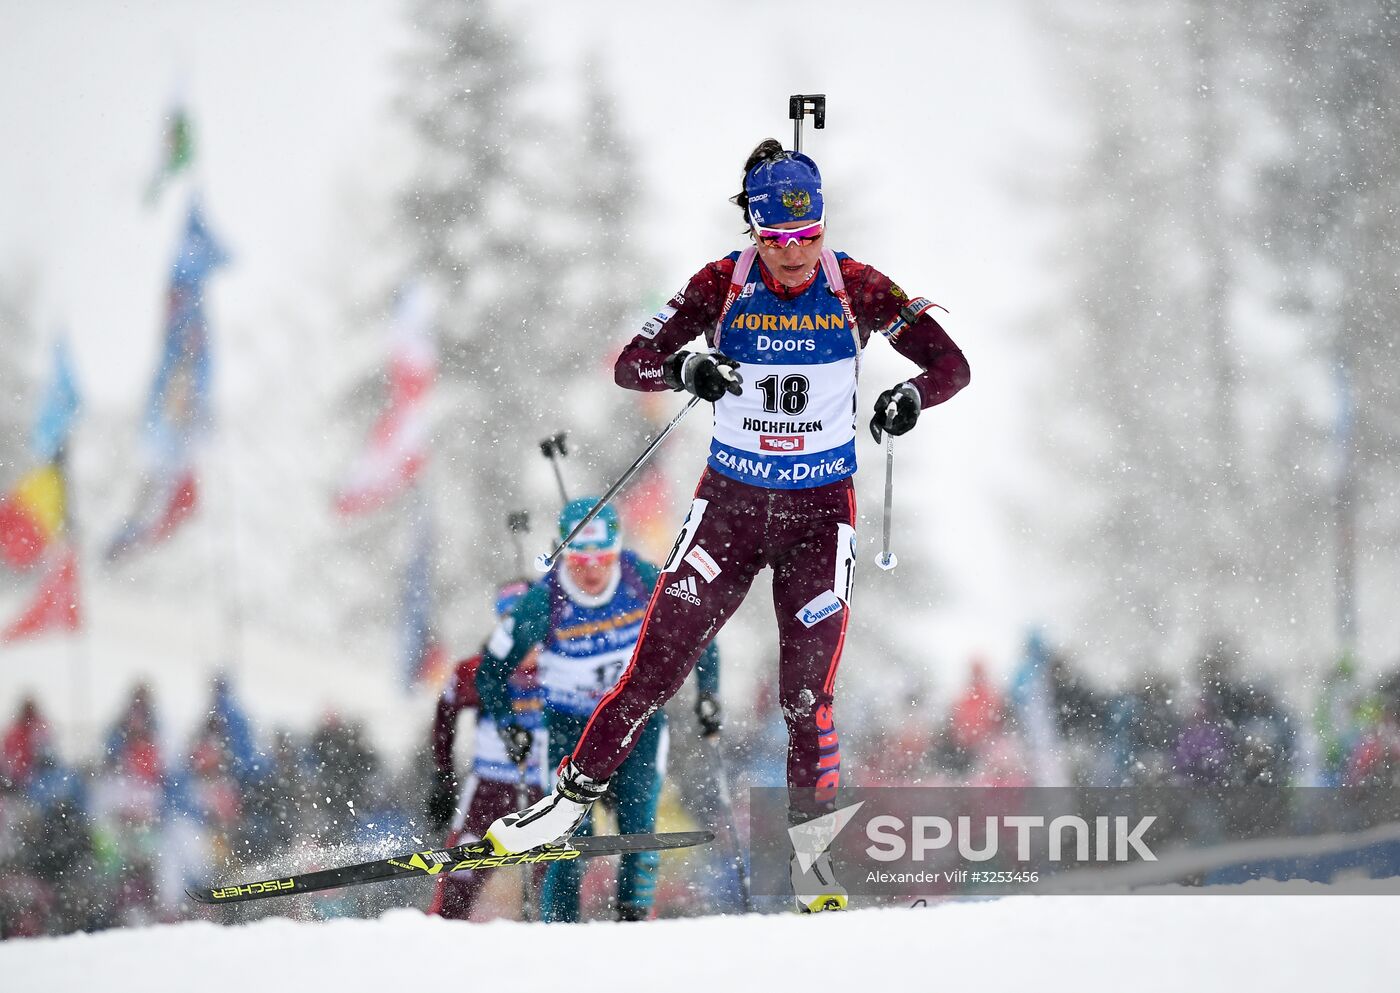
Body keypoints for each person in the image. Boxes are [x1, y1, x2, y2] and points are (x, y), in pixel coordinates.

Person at [487, 139, 969, 913]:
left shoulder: (858, 286)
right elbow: (632, 361)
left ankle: (819, 873)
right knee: (652, 673)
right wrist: (686, 368)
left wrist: (911, 396)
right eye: (776, 240)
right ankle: (565, 805)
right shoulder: (724, 282)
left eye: (807, 234)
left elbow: (950, 366)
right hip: (732, 513)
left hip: (819, 518)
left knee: (805, 696)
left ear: (822, 224)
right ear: (753, 231)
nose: (793, 255)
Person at [477, 499, 720, 922]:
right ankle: (561, 932)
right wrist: (508, 725)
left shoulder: (642, 580)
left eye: (601, 558)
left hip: (635, 724)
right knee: (569, 839)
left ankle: (631, 927)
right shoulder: (541, 602)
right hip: (572, 728)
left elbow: (698, 627)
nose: (591, 570)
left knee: (639, 833)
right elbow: (490, 672)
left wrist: (708, 693)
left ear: (616, 550)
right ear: (563, 553)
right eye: (579, 559)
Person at [425, 579, 548, 920]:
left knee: (553, 884)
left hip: (545, 790)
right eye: (509, 622)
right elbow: (445, 711)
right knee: (458, 882)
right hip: (489, 790)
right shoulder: (479, 669)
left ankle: (556, 948)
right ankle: (438, 940)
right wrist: (443, 774)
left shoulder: (560, 665)